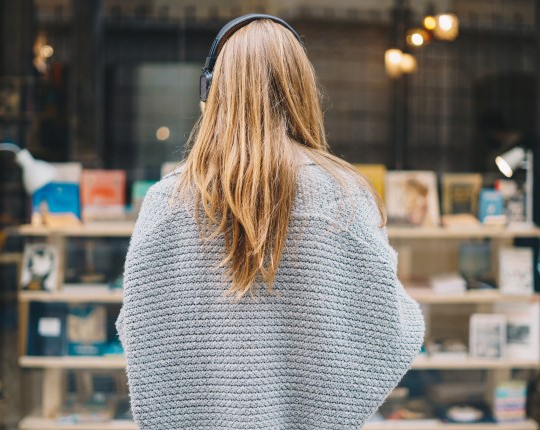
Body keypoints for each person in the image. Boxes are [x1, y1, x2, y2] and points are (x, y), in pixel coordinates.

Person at [116, 14, 424, 429]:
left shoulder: (165, 202)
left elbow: (140, 334)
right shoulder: (343, 195)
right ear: (302, 90)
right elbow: (392, 331)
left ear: (210, 94)